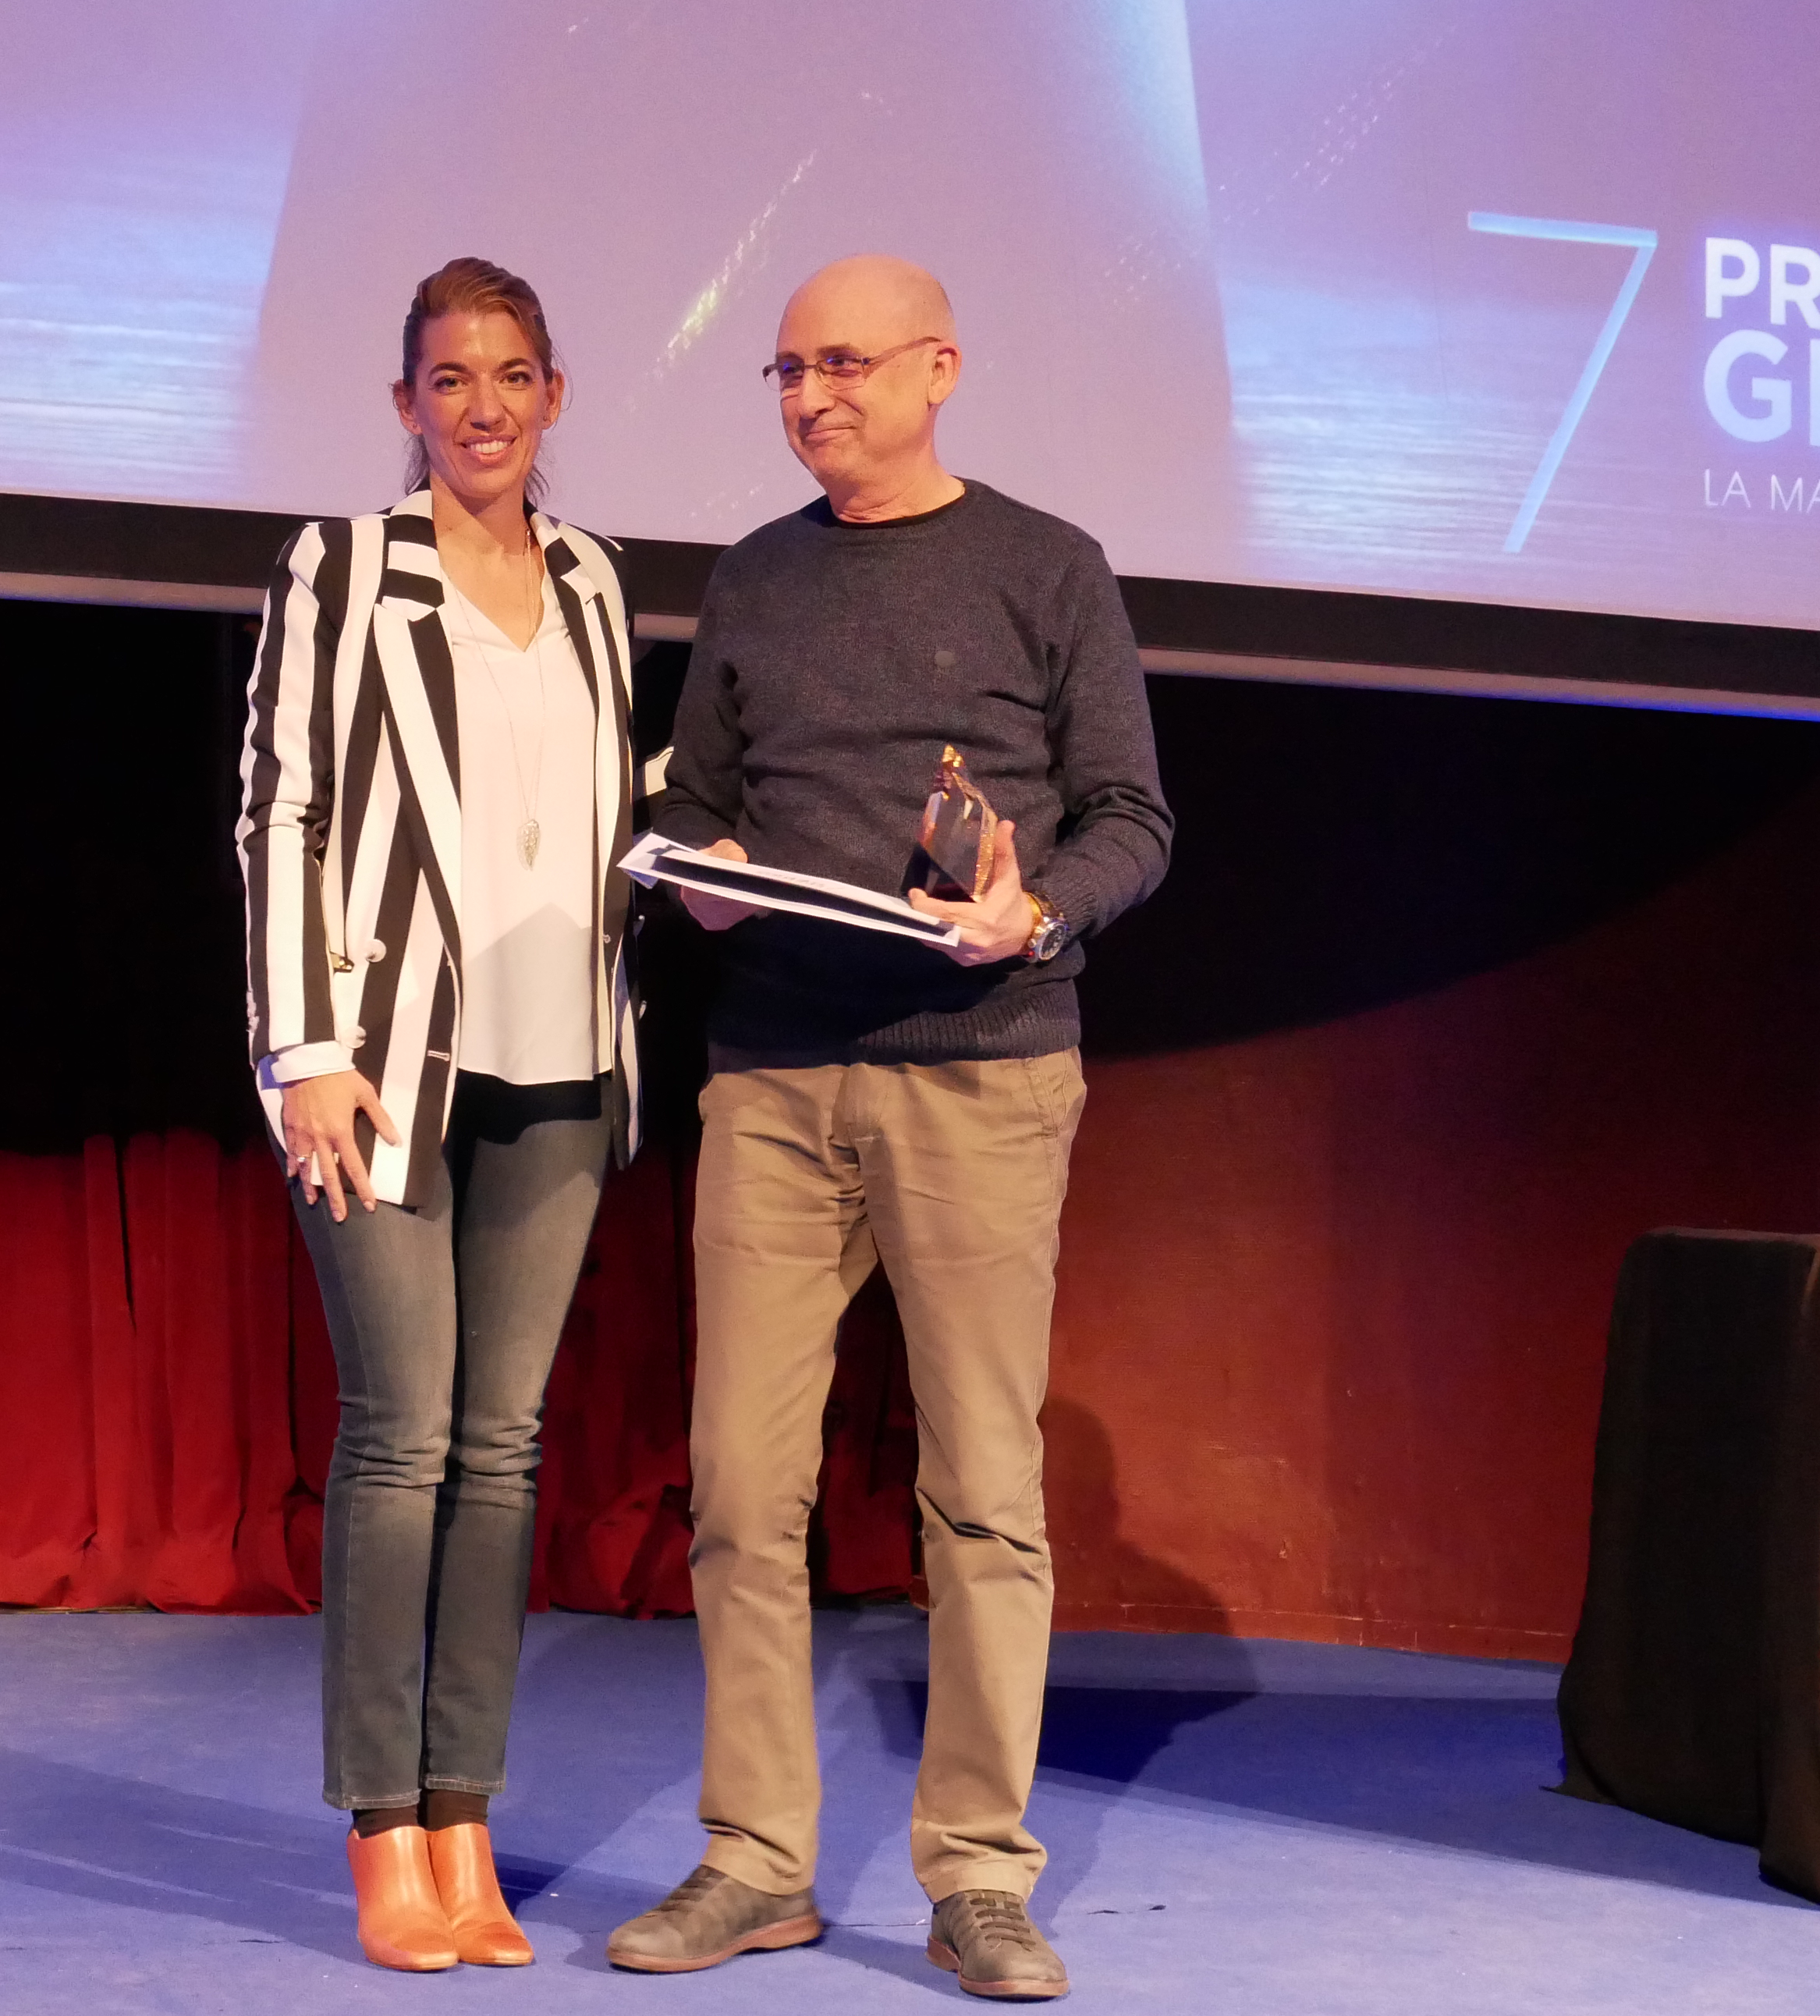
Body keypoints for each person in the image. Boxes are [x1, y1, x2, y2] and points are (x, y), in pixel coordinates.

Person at [603, 255, 1172, 2001]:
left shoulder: (1047, 565)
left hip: (981, 1070)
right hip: (773, 1076)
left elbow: (1131, 817)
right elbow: (700, 797)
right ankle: (756, 1860)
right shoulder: (756, 578)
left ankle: (979, 1873)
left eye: (844, 364)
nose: (811, 397)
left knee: (981, 1495)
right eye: (787, 372)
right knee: (740, 1490)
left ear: (940, 368)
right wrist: (693, 872)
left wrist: (1034, 911)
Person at [233, 257, 644, 1974]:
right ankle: (381, 1828)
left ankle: (465, 1812)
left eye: (512, 374)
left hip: (564, 1063)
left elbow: (594, 801)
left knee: (504, 1447)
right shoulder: (341, 565)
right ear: (406, 402)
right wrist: (302, 1047)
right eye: (450, 378)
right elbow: (282, 809)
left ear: (556, 392)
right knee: (402, 1439)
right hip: (383, 1063)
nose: (483, 406)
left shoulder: (595, 577)